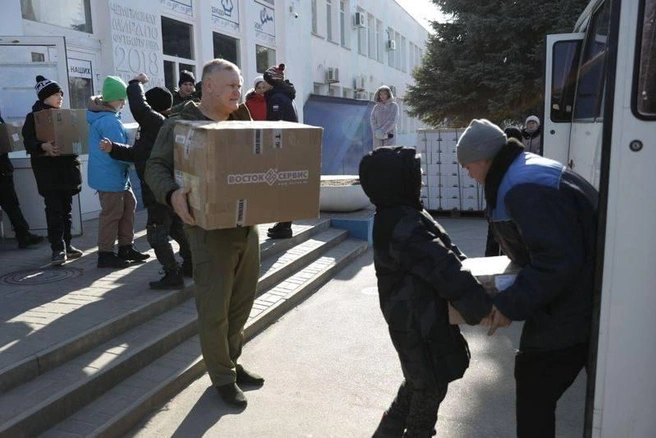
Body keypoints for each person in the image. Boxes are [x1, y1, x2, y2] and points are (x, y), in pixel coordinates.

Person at [456, 119, 598, 438]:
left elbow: (556, 260)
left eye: (467, 166)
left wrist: (509, 305)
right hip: (581, 292)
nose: (467, 174)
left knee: (535, 381)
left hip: (577, 301)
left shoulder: (523, 185)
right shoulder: (522, 172)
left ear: (483, 159)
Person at [146, 59, 264, 408]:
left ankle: (230, 360)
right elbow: (156, 166)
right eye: (230, 86)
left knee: (241, 302)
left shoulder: (242, 115)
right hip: (207, 227)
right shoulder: (181, 122)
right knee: (215, 308)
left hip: (247, 224)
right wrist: (171, 193)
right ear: (208, 86)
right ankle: (222, 378)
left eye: (238, 85)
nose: (237, 92)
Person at [359, 146, 493, 438]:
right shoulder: (402, 223)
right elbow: (443, 268)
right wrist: (483, 307)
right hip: (418, 323)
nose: (421, 176)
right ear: (396, 180)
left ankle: (387, 432)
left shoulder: (402, 212)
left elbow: (445, 256)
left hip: (419, 317)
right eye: (414, 172)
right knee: (428, 385)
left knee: (420, 380)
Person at [99, 73, 192, 289]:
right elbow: (139, 154)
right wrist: (114, 149)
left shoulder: (159, 122)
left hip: (159, 189)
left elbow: (139, 107)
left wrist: (135, 83)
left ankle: (172, 273)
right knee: (176, 229)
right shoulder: (154, 127)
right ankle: (191, 264)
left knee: (157, 234)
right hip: (162, 188)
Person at [87, 76, 149, 269]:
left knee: (128, 207)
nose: (123, 103)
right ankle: (105, 254)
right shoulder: (109, 122)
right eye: (120, 99)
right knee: (112, 214)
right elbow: (118, 150)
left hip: (115, 175)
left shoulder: (110, 118)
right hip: (111, 175)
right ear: (111, 99)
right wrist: (137, 156)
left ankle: (126, 247)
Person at [21, 76, 83, 264]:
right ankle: (57, 248)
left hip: (66, 172)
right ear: (45, 97)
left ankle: (68, 244)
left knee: (67, 211)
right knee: (54, 211)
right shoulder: (34, 118)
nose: (60, 97)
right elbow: (28, 141)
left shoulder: (64, 115)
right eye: (56, 94)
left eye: (61, 94)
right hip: (49, 174)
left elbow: (75, 140)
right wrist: (43, 147)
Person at [263, 63, 299, 239]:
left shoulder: (277, 99)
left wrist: (271, 150)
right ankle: (284, 223)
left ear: (272, 82)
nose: (263, 86)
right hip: (288, 148)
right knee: (284, 187)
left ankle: (285, 226)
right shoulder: (285, 96)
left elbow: (276, 127)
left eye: (265, 82)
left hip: (282, 150)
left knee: (282, 187)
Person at [0, 116, 43, 249]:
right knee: (11, 205)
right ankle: (23, 235)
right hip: (2, 169)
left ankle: (23, 235)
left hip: (3, 170)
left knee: (12, 204)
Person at [484, 127, 524, 257]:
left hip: (496, 208)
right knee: (512, 244)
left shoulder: (495, 159)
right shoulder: (521, 160)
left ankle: (491, 264)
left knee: (494, 241)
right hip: (512, 210)